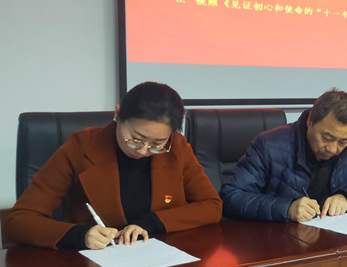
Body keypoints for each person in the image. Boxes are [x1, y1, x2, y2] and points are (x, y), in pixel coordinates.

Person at [3, 82, 222, 250]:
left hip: (162, 260)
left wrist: (153, 222)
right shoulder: (80, 147)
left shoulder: (177, 147)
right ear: (117, 114)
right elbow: (19, 221)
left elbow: (211, 205)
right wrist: (79, 235)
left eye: (157, 144)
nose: (143, 150)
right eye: (135, 139)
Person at [220, 89, 347, 223]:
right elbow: (231, 196)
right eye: (326, 138)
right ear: (310, 121)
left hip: (334, 238)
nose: (332, 149)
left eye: (343, 141)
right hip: (281, 241)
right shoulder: (269, 145)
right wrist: (287, 208)